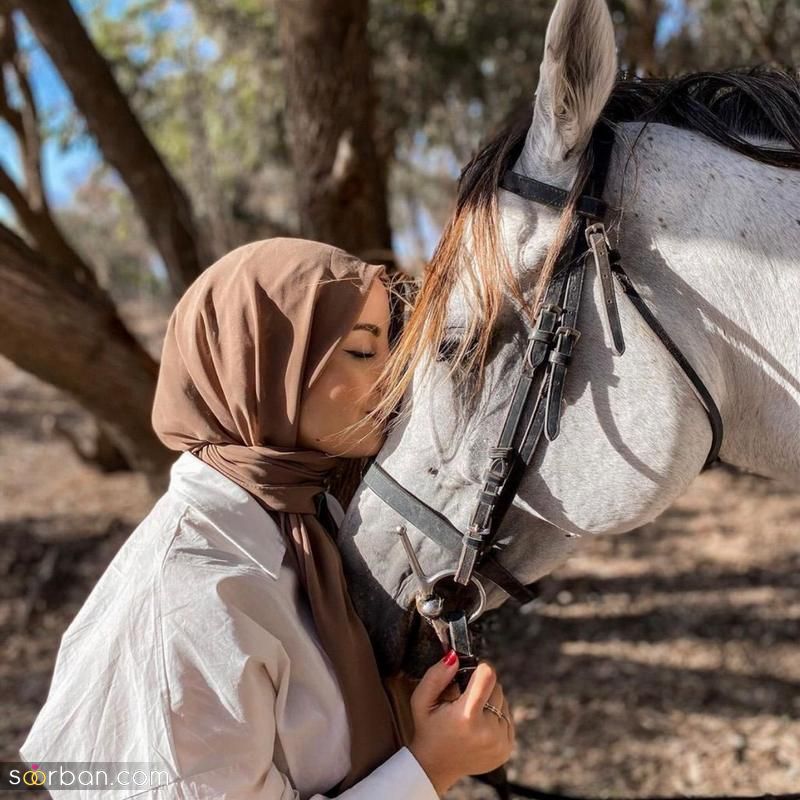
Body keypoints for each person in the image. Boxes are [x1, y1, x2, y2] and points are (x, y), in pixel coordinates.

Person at [19, 239, 514, 799]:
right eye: (361, 350)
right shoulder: (189, 592)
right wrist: (431, 767)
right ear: (264, 365)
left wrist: (418, 715)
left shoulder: (307, 523)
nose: (393, 376)